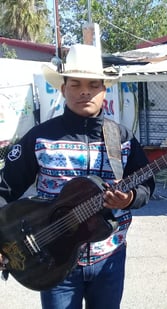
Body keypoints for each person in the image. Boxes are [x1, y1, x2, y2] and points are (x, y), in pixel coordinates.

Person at [0, 44, 155, 309]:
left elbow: (146, 186)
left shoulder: (123, 138)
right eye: (76, 85)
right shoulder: (39, 137)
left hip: (110, 259)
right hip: (51, 261)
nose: (85, 91)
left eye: (94, 84)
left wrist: (128, 199)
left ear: (104, 89)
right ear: (63, 89)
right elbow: (4, 189)